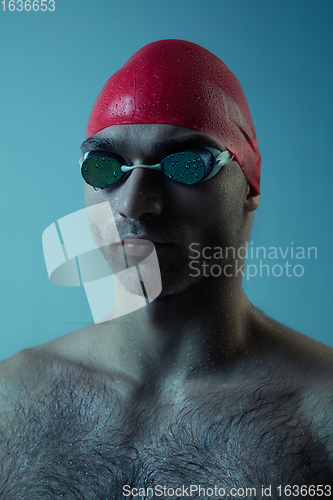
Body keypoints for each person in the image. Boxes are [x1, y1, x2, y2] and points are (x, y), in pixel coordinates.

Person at [0, 40, 332, 499]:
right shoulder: (10, 401)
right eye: (106, 165)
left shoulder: (322, 417)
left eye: (184, 165)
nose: (134, 203)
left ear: (250, 187)